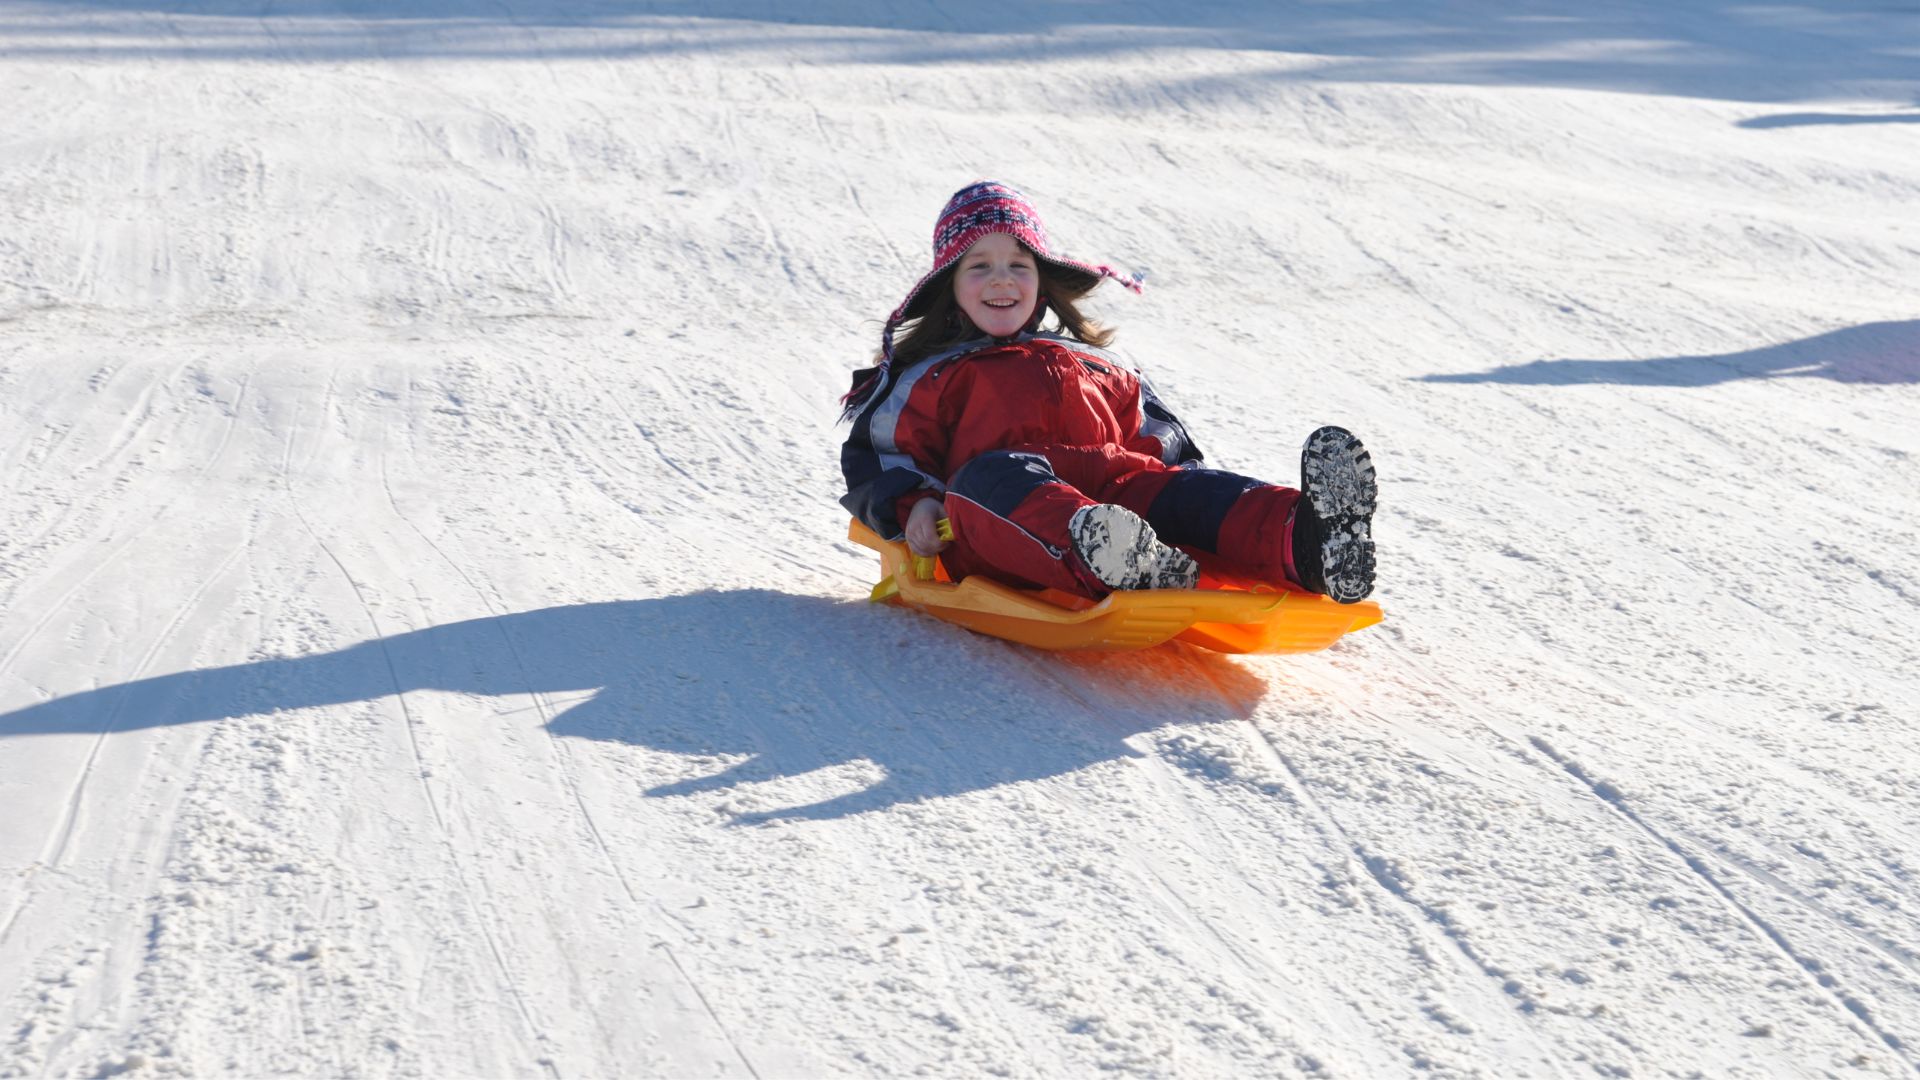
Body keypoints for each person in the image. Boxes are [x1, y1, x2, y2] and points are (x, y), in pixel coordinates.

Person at [839, 180, 1376, 604]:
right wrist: (915, 504)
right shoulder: (932, 373)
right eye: (980, 267)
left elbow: (1163, 440)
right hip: (1005, 528)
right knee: (981, 479)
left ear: (1042, 282)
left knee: (1185, 492)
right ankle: (1108, 555)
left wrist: (1189, 500)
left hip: (1119, 498)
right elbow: (883, 454)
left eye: (1018, 266)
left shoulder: (1095, 360)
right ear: (950, 287)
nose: (1002, 281)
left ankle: (1307, 541)